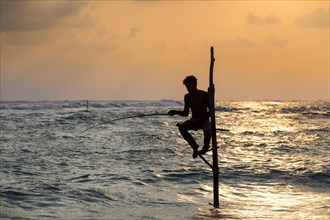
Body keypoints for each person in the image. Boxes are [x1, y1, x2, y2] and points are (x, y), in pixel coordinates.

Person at [168, 75, 211, 158]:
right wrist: (175, 112)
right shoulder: (187, 97)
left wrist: (202, 120)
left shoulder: (204, 95)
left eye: (190, 86)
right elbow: (185, 113)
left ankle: (205, 147)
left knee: (207, 130)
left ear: (195, 84)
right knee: (182, 128)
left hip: (204, 120)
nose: (188, 88)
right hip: (194, 120)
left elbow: (211, 111)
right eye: (187, 86)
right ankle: (194, 146)